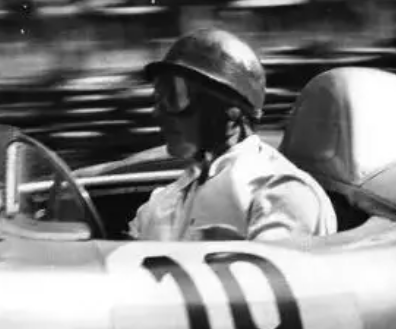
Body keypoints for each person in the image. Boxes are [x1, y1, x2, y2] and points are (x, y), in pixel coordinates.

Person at [128, 28, 337, 242]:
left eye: (176, 96)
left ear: (232, 109)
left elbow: (277, 260)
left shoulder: (279, 190)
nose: (158, 112)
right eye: (159, 96)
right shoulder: (161, 202)